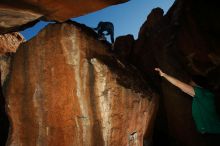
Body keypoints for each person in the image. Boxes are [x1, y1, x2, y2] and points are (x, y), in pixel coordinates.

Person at [155, 68, 220, 134]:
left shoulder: (202, 94)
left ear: (196, 83)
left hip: (214, 132)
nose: (189, 83)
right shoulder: (205, 95)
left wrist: (164, 75)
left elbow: (180, 85)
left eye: (191, 81)